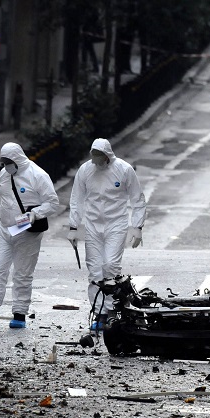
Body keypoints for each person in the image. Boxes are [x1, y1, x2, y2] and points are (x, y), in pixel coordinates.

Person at [0, 142, 61, 329]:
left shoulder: (38, 175)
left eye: (9, 161)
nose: (6, 165)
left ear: (18, 159)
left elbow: (53, 203)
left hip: (26, 230)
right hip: (6, 229)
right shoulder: (4, 175)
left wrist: (35, 213)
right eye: (4, 162)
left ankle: (19, 314)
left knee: (22, 273)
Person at [68, 138, 147, 331]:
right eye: (93, 156)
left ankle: (112, 311)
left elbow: (137, 198)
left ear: (107, 156)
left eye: (99, 156)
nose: (95, 160)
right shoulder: (85, 171)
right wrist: (73, 226)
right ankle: (99, 314)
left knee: (110, 266)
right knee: (95, 270)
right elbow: (76, 199)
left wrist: (137, 227)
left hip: (116, 224)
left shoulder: (124, 170)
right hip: (93, 224)